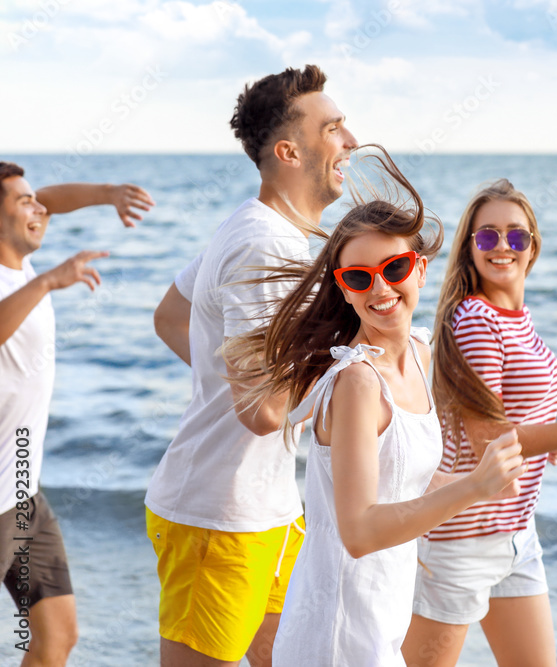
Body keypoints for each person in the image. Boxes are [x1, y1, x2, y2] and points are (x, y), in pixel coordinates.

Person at [222, 148, 526, 666]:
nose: (380, 288)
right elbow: (359, 531)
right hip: (337, 634)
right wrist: (475, 485)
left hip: (379, 622)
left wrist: (484, 478)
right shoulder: (359, 384)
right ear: (343, 289)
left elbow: (402, 482)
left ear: (421, 270)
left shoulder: (422, 353)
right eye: (359, 278)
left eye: (395, 267)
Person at [145, 64, 357, 667]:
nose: (351, 141)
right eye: (335, 128)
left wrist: (229, 378)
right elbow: (263, 410)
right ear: (290, 150)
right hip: (220, 514)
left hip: (271, 509)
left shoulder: (257, 226)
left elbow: (169, 315)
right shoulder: (264, 243)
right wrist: (353, 379)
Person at [402, 179, 557, 667]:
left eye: (516, 236)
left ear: (533, 247)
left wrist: (547, 442)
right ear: (470, 248)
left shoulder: (515, 319)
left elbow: (510, 415)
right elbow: (489, 440)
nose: (502, 247)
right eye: (487, 236)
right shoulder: (475, 320)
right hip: (460, 540)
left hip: (515, 535)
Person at [0, 160, 153, 666]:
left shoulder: (17, 267)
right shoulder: (20, 280)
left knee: (57, 637)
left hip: (21, 491)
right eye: (23, 202)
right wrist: (47, 282)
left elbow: (50, 198)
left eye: (35, 200)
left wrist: (109, 191)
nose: (38, 207)